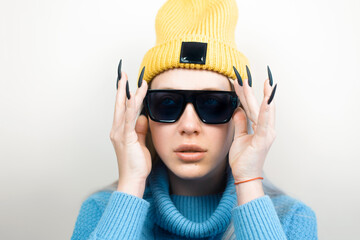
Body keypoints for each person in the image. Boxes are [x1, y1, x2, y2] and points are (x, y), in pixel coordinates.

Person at [71, 0, 318, 239]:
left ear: (239, 115)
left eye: (213, 104)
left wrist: (250, 182)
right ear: (145, 114)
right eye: (166, 103)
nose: (189, 126)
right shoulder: (101, 213)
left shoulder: (291, 220)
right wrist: (131, 185)